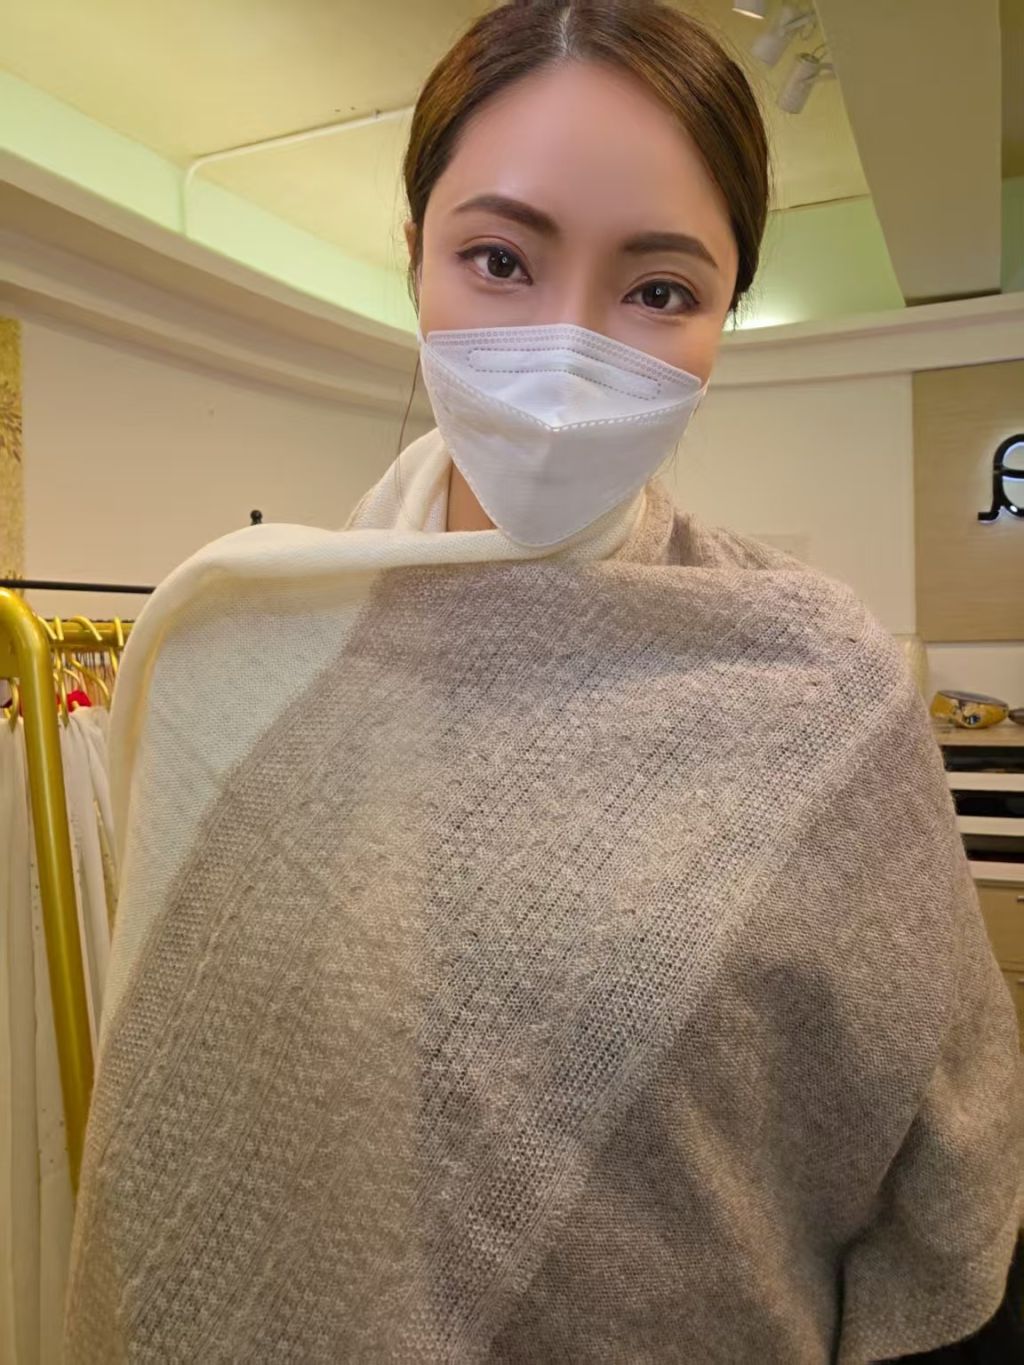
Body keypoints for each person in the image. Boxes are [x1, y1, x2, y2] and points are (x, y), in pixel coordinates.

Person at [64, 3, 1022, 1361]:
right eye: (501, 260)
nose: (566, 355)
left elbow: (945, 1174)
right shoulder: (234, 650)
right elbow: (190, 1094)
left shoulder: (824, 693)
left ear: (726, 317)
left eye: (659, 290)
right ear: (414, 258)